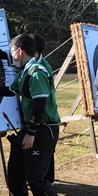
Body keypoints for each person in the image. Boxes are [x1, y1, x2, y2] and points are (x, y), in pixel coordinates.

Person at [0, 34, 68, 196]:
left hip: (42, 129)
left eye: (12, 51)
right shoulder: (26, 70)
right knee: (16, 170)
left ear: (20, 51)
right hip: (32, 128)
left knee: (35, 177)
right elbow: (12, 90)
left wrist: (31, 133)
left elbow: (40, 104)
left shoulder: (36, 72)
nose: (11, 55)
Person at [29, 33, 55, 185]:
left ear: (36, 52)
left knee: (45, 153)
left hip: (45, 118)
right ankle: (46, 181)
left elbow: (40, 102)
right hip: (44, 118)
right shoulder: (35, 62)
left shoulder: (41, 68)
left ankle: (48, 182)